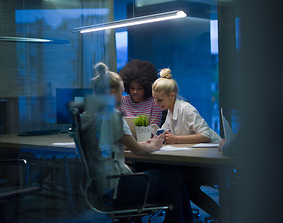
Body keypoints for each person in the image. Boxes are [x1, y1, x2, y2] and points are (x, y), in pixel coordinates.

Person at [81, 62, 194, 223]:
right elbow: (137, 150)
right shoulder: (111, 115)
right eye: (122, 90)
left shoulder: (86, 115)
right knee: (172, 177)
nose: (124, 94)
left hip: (96, 186)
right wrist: (153, 145)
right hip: (116, 186)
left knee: (165, 177)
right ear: (113, 92)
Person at [152, 68, 222, 221]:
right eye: (155, 99)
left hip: (212, 161)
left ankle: (222, 217)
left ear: (171, 95)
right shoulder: (170, 111)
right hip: (194, 161)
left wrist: (176, 139)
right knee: (177, 181)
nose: (156, 104)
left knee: (183, 184)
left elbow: (205, 135)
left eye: (159, 100)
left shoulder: (186, 109)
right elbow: (163, 131)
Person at [119, 59, 163, 126]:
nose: (135, 92)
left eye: (139, 88)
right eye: (132, 88)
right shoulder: (122, 101)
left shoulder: (155, 103)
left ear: (146, 87)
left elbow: (154, 129)